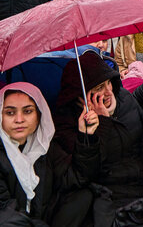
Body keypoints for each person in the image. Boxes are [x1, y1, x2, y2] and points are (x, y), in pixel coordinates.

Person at [54, 52, 143, 225]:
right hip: (109, 195)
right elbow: (85, 173)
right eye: (98, 88)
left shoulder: (125, 99)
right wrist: (102, 125)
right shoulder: (66, 121)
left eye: (108, 83)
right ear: (79, 94)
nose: (107, 92)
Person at [0, 82, 101, 226]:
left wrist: (86, 136)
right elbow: (4, 211)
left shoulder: (46, 147)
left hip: (43, 219)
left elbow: (77, 178)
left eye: (28, 111)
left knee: (84, 195)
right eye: (10, 112)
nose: (19, 119)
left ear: (39, 114)